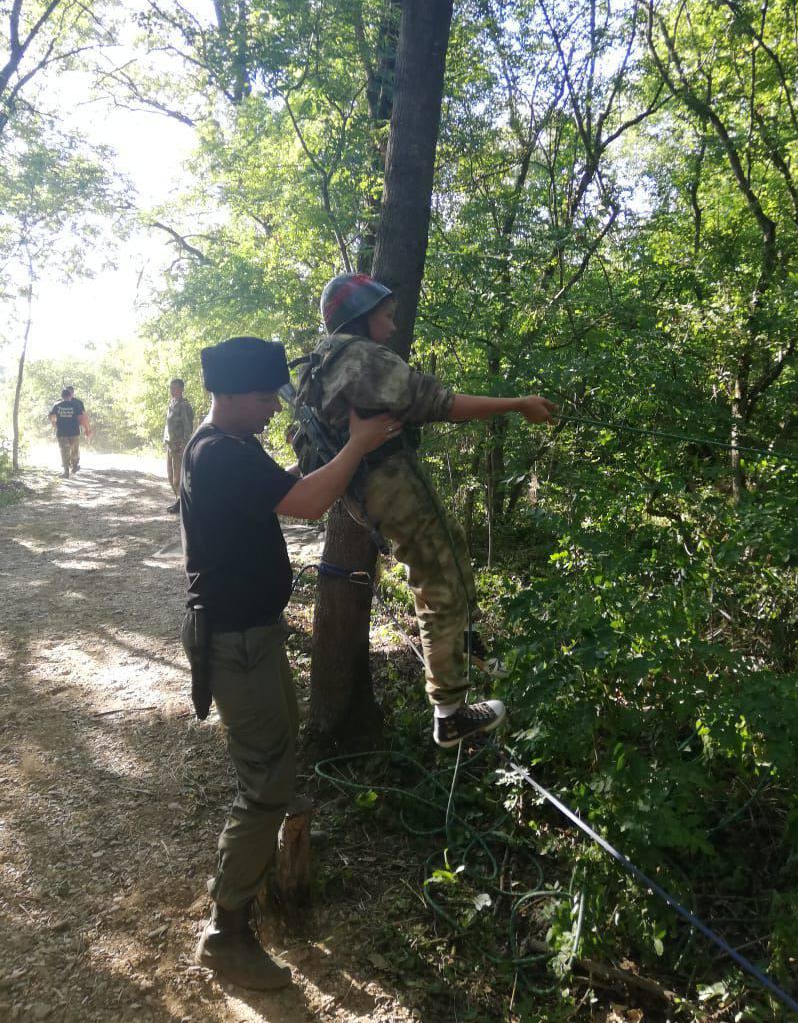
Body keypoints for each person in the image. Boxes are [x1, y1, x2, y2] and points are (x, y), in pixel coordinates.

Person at [180, 336, 400, 991]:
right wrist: (359, 443)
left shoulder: (232, 444)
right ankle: (228, 934)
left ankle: (255, 888)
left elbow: (291, 487)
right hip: (236, 642)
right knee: (265, 784)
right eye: (265, 398)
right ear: (235, 396)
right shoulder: (219, 453)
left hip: (253, 636)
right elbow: (305, 502)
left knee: (277, 757)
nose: (274, 410)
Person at [307, 274, 556, 749]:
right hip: (391, 483)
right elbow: (440, 403)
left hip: (368, 490)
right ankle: (451, 712)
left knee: (447, 555)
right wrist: (517, 404)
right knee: (438, 579)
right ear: (360, 317)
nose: (392, 322)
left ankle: (461, 640)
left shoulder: (327, 360)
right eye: (385, 314)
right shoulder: (361, 358)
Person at [164, 377, 195, 513]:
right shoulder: (172, 403)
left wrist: (184, 444)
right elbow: (168, 424)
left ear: (182, 389)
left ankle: (182, 503)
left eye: (175, 388)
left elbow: (188, 427)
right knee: (170, 475)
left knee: (178, 476)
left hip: (179, 445)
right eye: (171, 388)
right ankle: (177, 499)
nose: (172, 390)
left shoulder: (184, 406)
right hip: (170, 445)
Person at [48, 386, 90, 477]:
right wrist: (86, 430)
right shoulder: (76, 405)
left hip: (62, 432)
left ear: (62, 396)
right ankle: (74, 466)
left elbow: (51, 417)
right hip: (74, 432)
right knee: (74, 450)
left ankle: (66, 471)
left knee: (64, 451)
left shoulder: (57, 405)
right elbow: (81, 418)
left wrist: (55, 426)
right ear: (71, 395)